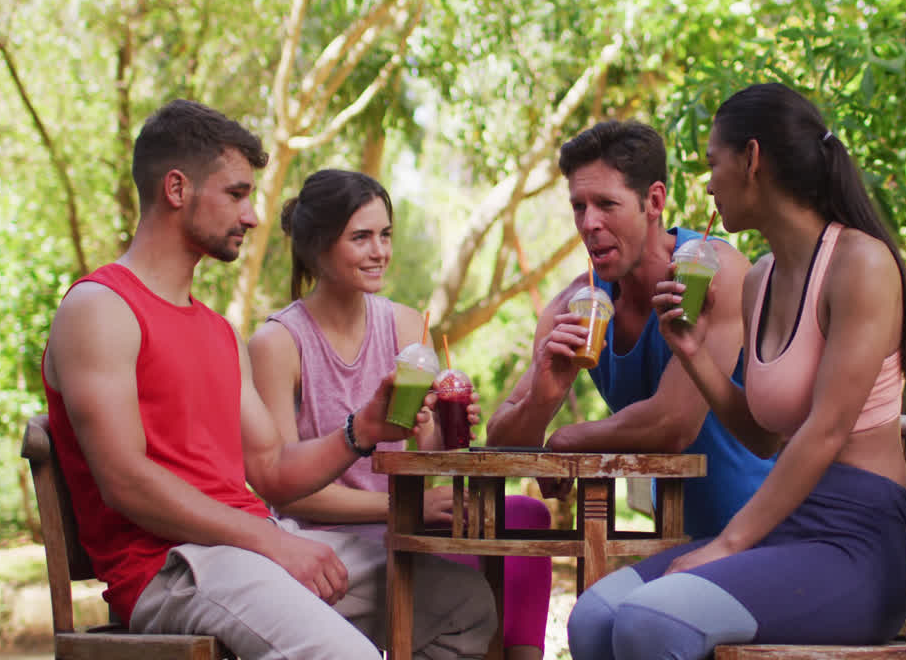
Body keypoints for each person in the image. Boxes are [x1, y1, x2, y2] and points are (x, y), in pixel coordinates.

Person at [40, 99, 496, 660]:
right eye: (236, 194)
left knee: (464, 604)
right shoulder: (101, 308)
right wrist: (271, 540)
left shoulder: (218, 333)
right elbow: (126, 481)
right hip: (174, 568)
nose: (254, 216)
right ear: (177, 189)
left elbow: (273, 472)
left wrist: (364, 429)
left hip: (253, 547)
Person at [565, 83, 906, 659]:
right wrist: (690, 351)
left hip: (854, 546)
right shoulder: (761, 277)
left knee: (650, 622)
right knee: (593, 617)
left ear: (752, 159)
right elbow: (765, 438)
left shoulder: (860, 264)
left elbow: (827, 429)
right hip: (784, 531)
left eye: (713, 163)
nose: (708, 184)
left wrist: (730, 542)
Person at [249, 168, 553, 660]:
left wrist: (451, 427)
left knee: (523, 515)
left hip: (407, 520)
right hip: (331, 538)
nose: (380, 251)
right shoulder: (279, 344)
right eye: (361, 237)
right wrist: (403, 507)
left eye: (385, 235)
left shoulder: (407, 325)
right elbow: (288, 491)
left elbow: (425, 451)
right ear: (318, 246)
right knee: (467, 569)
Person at [486, 119, 773, 540]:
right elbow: (502, 446)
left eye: (606, 204)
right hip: (676, 541)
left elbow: (673, 423)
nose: (589, 224)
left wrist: (565, 439)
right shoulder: (574, 306)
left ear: (654, 201)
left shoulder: (713, 271)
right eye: (579, 207)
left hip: (765, 533)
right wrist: (540, 402)